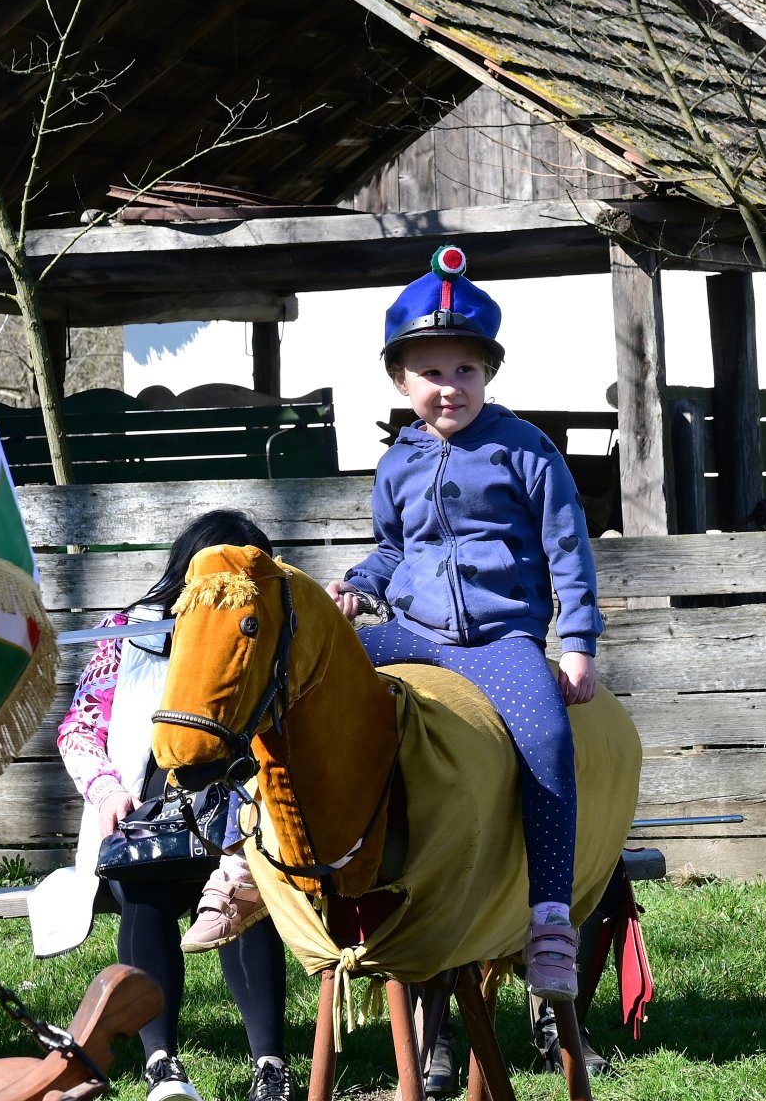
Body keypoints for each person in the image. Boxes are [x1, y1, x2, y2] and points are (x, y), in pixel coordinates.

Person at [325, 246, 603, 1002]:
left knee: (544, 737)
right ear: (400, 379)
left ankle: (548, 920)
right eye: (432, 373)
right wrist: (354, 587)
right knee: (307, 669)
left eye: (465, 371)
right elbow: (394, 550)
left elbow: (567, 550)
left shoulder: (526, 451)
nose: (450, 388)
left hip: (496, 641)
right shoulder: (398, 462)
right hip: (411, 632)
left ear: (489, 374)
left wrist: (575, 643)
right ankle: (245, 860)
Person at [56, 508, 292, 1101]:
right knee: (145, 893)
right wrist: (108, 790)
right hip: (145, 811)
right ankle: (162, 1063)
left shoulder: (271, 632)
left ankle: (271, 1065)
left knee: (249, 892)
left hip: (240, 814)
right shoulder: (126, 632)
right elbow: (80, 727)